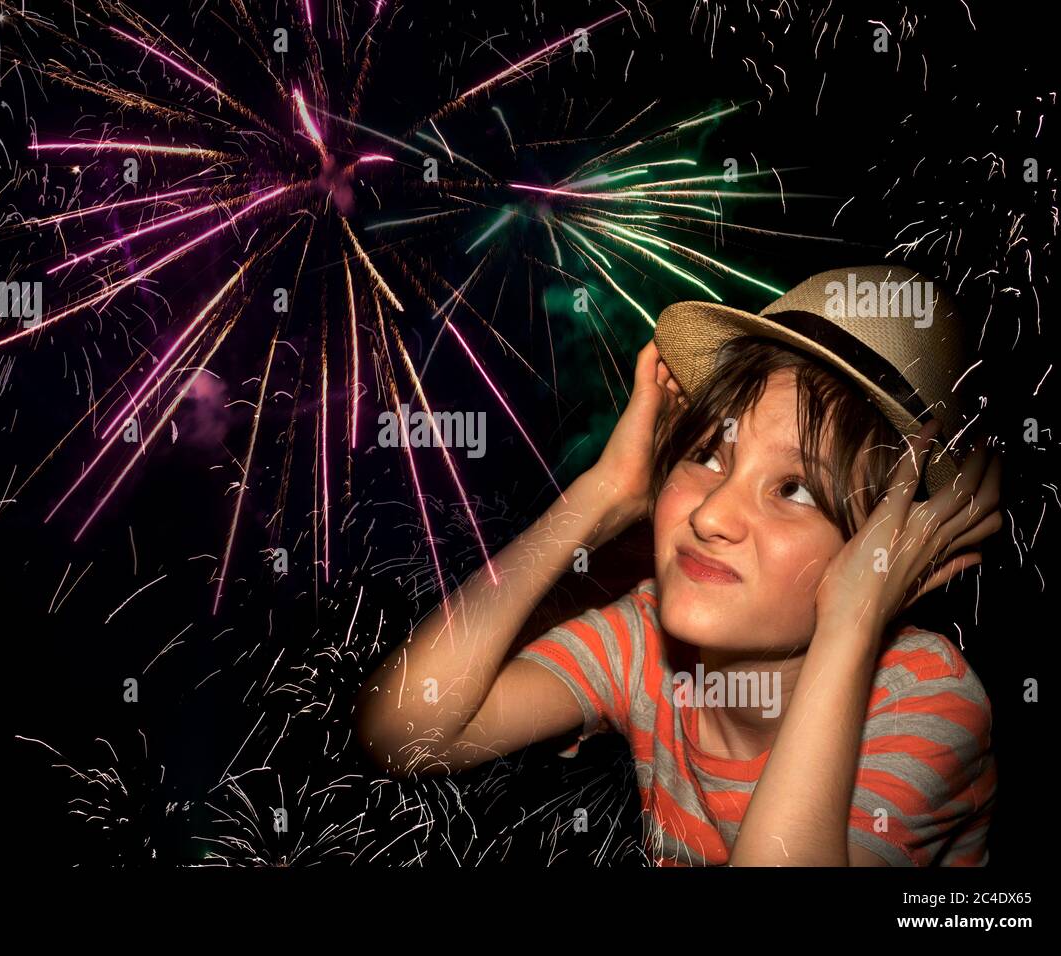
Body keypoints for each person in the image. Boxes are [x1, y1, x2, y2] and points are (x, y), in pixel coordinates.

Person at [355, 265, 1002, 866]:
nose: (713, 513)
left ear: (900, 550)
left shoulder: (931, 706)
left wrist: (850, 624)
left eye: (795, 489)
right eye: (709, 454)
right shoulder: (649, 644)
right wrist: (601, 496)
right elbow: (405, 730)